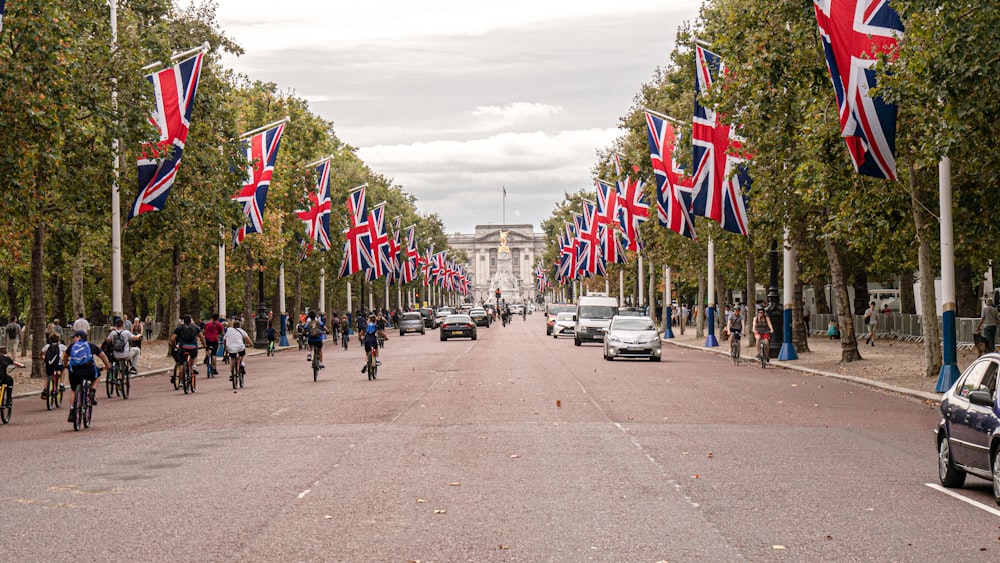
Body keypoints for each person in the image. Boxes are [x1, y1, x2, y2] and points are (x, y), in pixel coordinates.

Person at [62, 330, 110, 421]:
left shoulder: (72, 346)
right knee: (97, 376)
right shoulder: (91, 345)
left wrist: (65, 365)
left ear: (79, 337)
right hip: (89, 370)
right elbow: (103, 356)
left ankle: (72, 410)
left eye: (74, 337)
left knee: (73, 389)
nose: (74, 339)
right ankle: (92, 392)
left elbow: (65, 357)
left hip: (75, 371)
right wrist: (107, 366)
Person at [170, 314, 206, 383]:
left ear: (183, 321)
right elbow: (202, 337)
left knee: (181, 364)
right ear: (190, 321)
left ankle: (180, 382)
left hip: (183, 347)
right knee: (194, 356)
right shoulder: (195, 327)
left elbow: (172, 339)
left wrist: (174, 346)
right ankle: (194, 366)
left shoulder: (179, 328)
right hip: (193, 347)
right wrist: (204, 345)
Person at [41, 333, 67, 399]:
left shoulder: (47, 346)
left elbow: (41, 353)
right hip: (58, 364)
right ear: (59, 339)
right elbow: (67, 354)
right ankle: (61, 384)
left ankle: (45, 389)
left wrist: (43, 358)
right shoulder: (62, 346)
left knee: (47, 375)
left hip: (50, 365)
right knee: (63, 370)